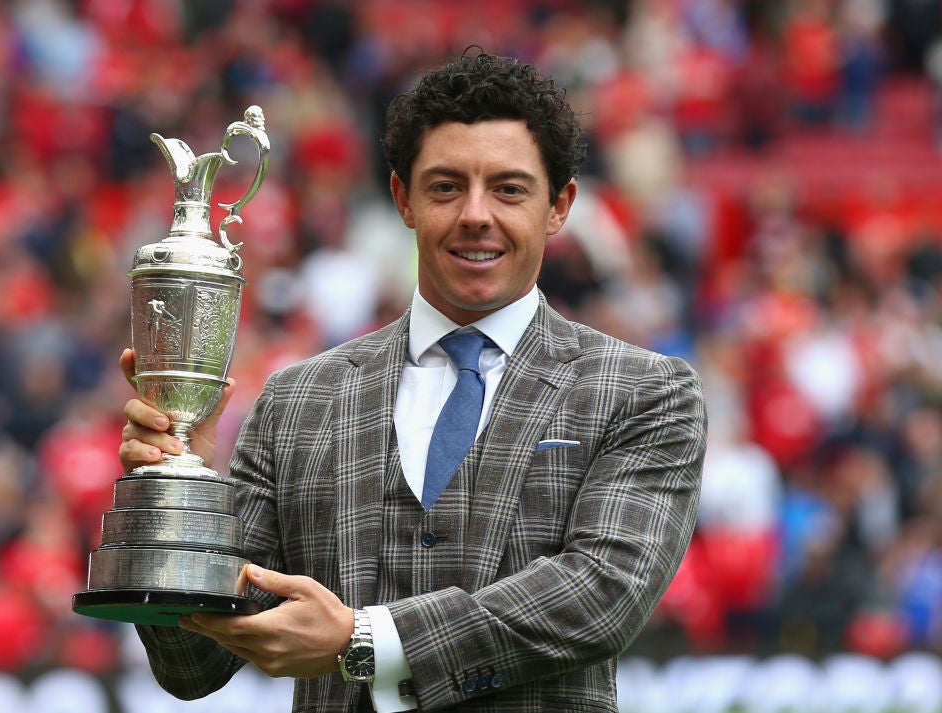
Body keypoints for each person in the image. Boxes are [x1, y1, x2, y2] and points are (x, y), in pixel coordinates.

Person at [118, 49, 707, 713]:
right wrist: (166, 495)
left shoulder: (644, 392)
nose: (476, 214)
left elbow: (601, 597)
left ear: (559, 205)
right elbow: (194, 665)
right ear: (403, 198)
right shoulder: (295, 401)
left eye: (509, 189)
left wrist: (363, 639)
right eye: (446, 186)